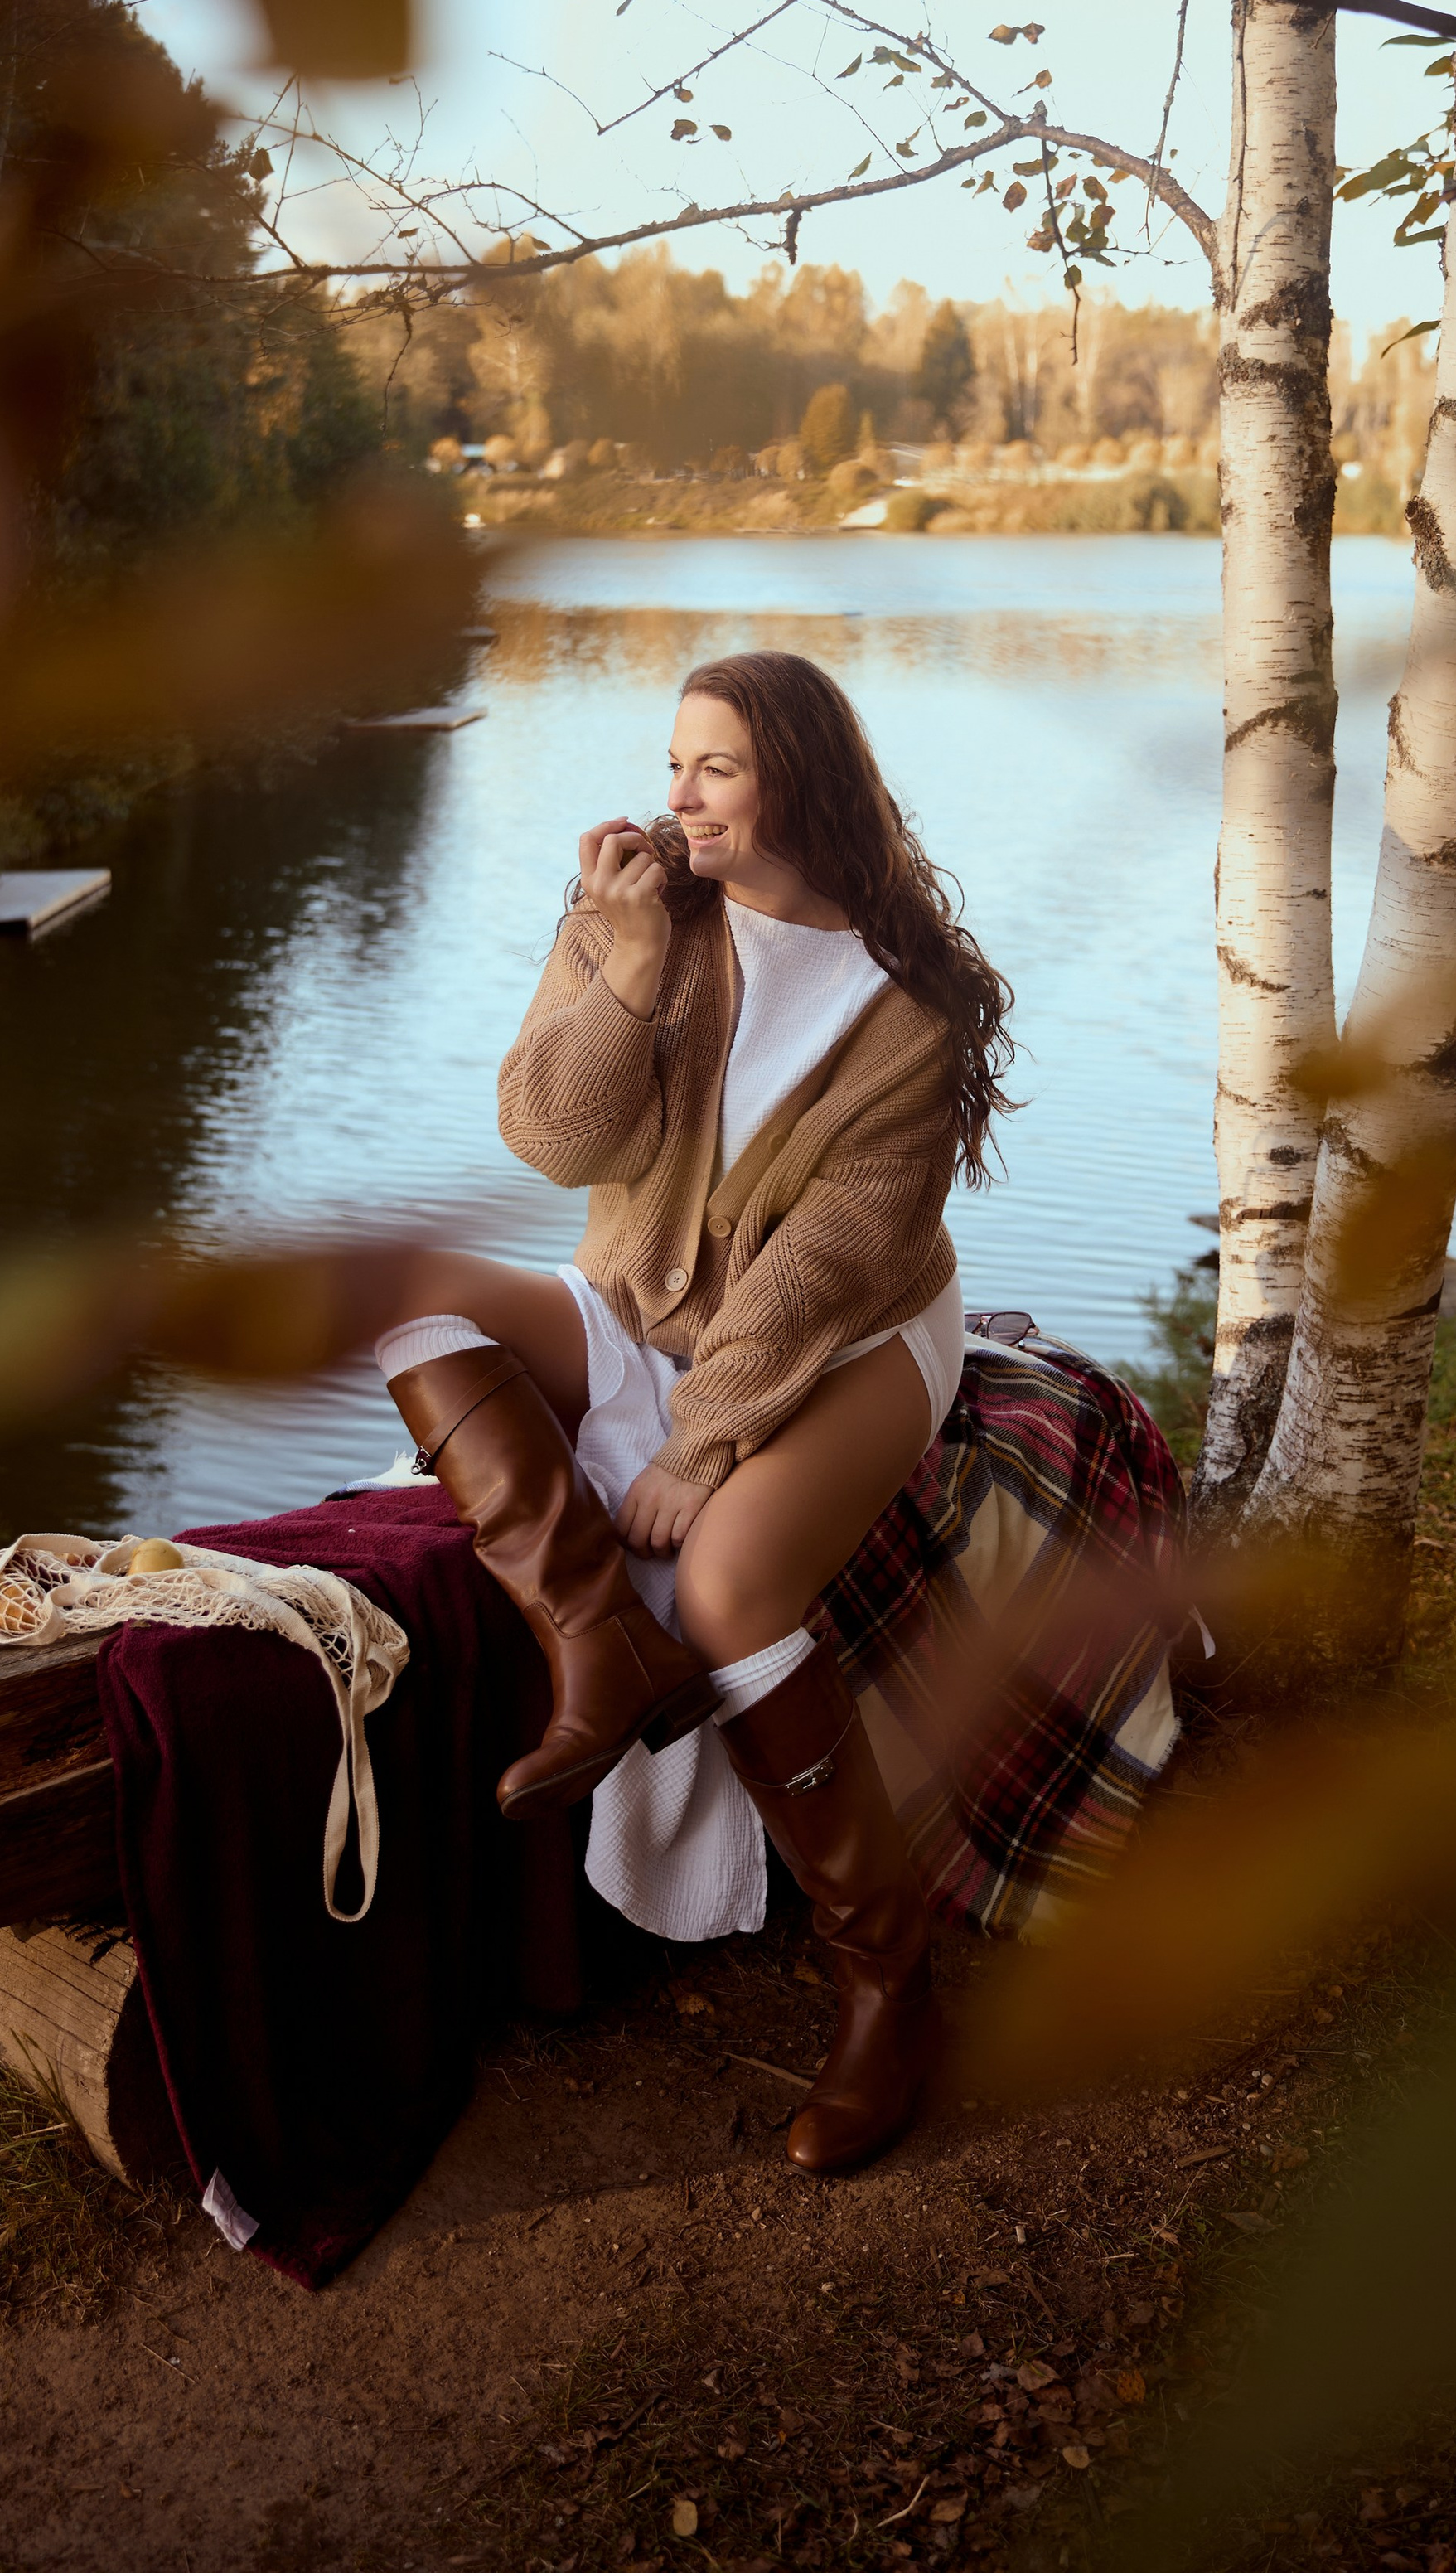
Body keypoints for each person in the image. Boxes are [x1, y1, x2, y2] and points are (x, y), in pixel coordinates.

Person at [368, 647, 1015, 2176]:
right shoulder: (643, 918)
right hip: (642, 1294)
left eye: (714, 766)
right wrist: (625, 953)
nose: (677, 795)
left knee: (730, 1583)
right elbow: (550, 1136)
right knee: (415, 1300)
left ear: (795, 778)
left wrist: (697, 1441)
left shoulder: (909, 1006)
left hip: (859, 1338)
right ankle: (599, 1641)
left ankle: (885, 1979)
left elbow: (828, 1267)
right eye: (674, 764)